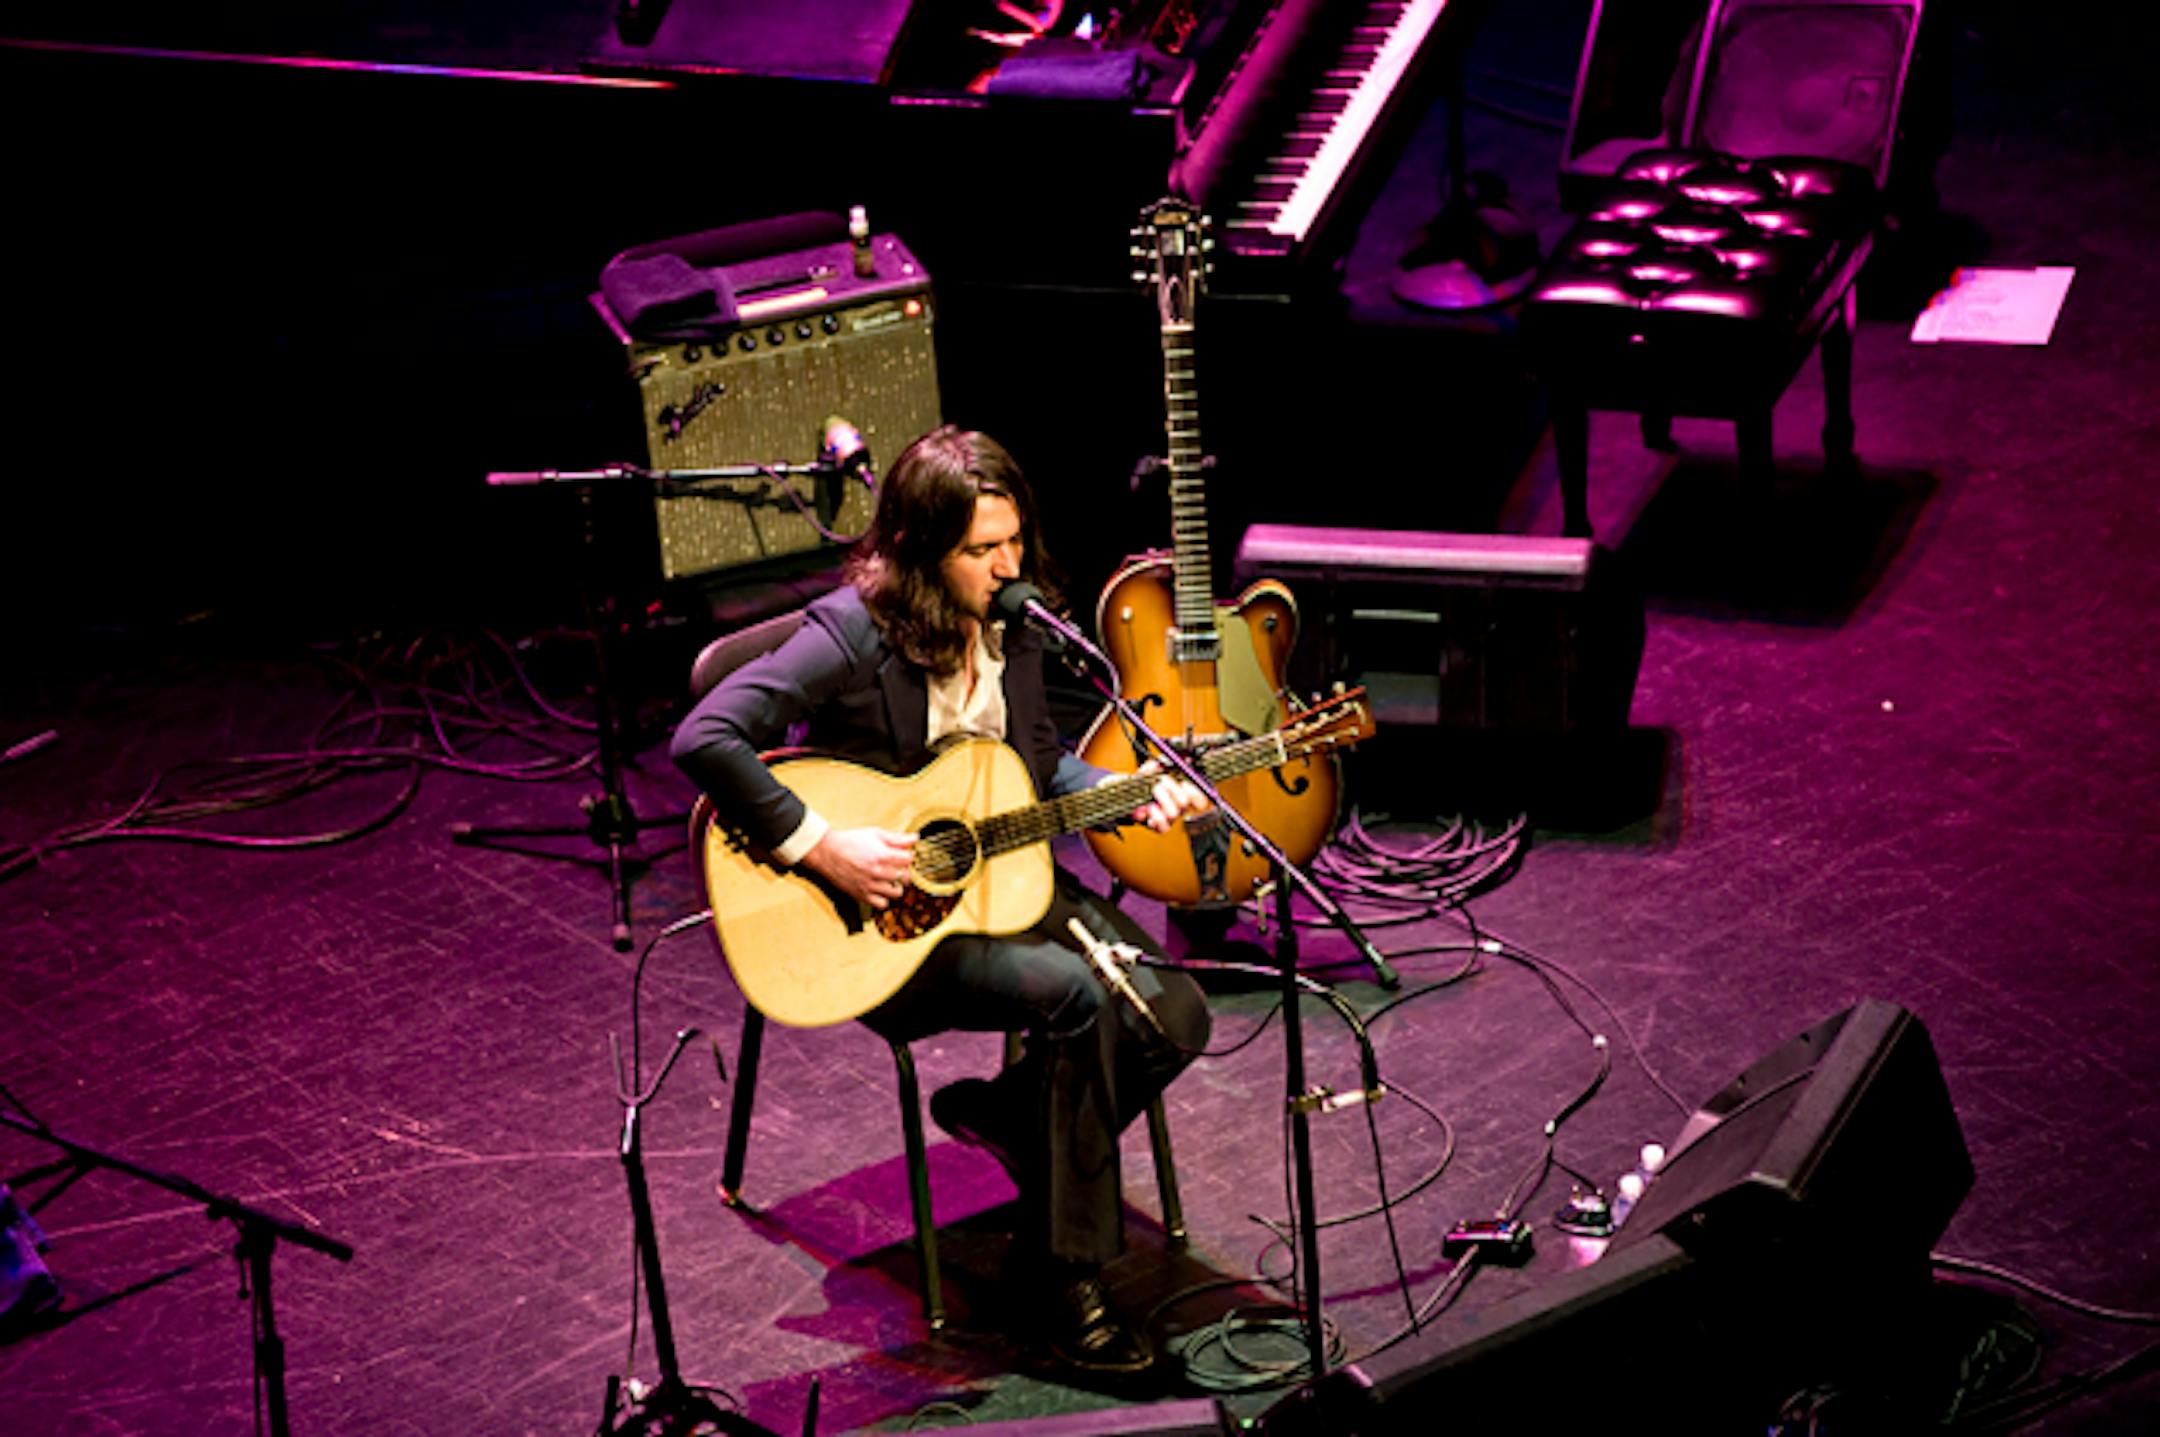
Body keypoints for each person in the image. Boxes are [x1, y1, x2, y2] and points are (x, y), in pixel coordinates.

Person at [672, 425, 1213, 1374]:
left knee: (1175, 1012)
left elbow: (1038, 769)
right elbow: (706, 734)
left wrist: (1134, 791)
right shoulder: (854, 631)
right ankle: (1062, 1282)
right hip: (880, 922)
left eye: (1014, 542)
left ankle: (1015, 1117)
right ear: (925, 553)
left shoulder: (1021, 625)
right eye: (980, 551)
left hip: (998, 884)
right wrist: (824, 845)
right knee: (1076, 999)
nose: (1007, 569)